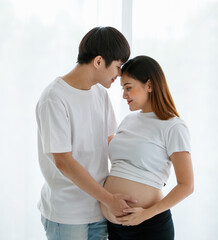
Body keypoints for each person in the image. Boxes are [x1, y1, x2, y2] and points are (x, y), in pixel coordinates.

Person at [36, 26, 137, 240]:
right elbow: (64, 161)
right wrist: (109, 198)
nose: (119, 75)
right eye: (118, 67)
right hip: (67, 215)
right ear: (99, 61)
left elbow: (111, 142)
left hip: (98, 209)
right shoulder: (54, 98)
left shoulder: (100, 94)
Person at [101, 55, 194, 240]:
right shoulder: (128, 121)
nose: (124, 95)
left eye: (128, 88)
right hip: (113, 227)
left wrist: (145, 214)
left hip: (148, 227)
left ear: (149, 86)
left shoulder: (173, 126)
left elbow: (187, 186)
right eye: (122, 89)